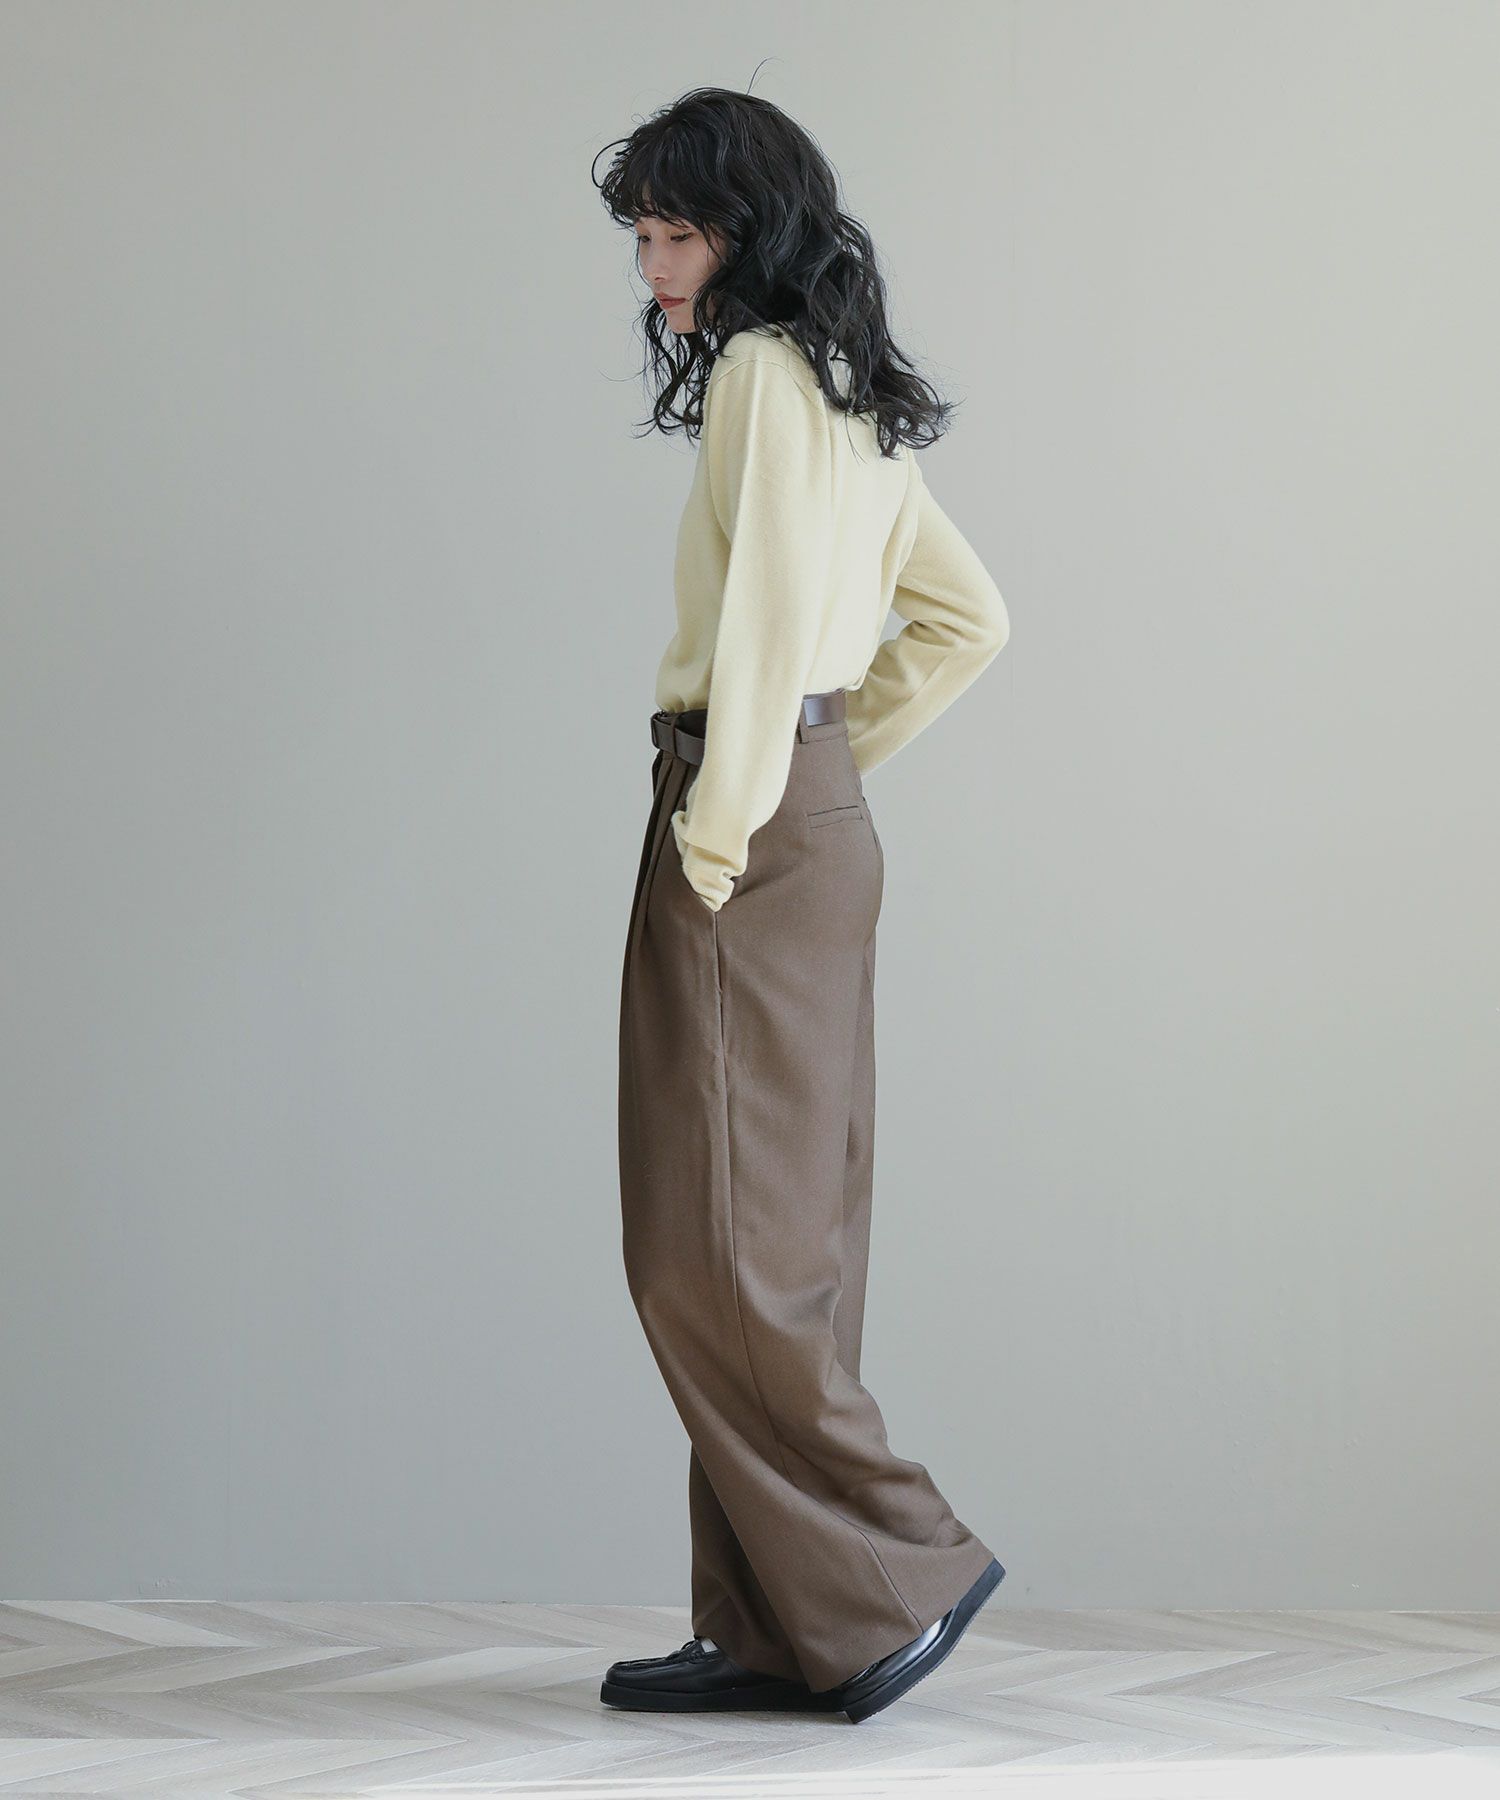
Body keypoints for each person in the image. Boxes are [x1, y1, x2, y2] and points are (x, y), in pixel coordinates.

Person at [593, 85, 1011, 1725]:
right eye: (640, 235)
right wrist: (828, 771)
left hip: (744, 823)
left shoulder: (768, 376)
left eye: (675, 232)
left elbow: (766, 625)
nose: (652, 266)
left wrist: (724, 828)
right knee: (782, 1241)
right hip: (809, 819)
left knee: (706, 1250)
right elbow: (968, 620)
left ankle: (903, 1565)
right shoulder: (848, 389)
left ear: (745, 231)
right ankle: (775, 1623)